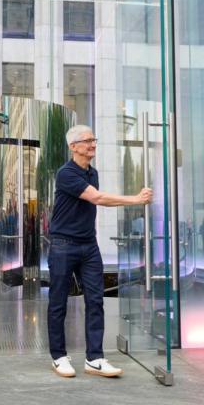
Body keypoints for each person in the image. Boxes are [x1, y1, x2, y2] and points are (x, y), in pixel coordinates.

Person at [46, 125, 151, 379]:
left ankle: (94, 358)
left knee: (95, 300)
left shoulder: (92, 172)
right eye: (87, 140)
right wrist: (136, 200)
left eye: (94, 139)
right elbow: (97, 199)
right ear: (73, 147)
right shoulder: (66, 174)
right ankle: (59, 357)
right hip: (63, 245)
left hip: (88, 245)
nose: (93, 144)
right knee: (58, 302)